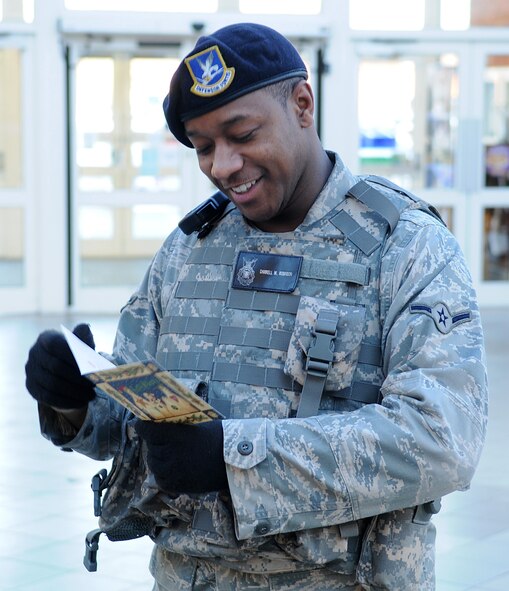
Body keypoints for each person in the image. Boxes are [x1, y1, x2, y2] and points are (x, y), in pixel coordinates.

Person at [25, 22, 488, 591]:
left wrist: (231, 456)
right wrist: (76, 402)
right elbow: (136, 430)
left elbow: (443, 440)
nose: (222, 166)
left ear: (302, 104)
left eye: (241, 134)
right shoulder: (187, 251)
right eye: (203, 148)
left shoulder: (405, 246)